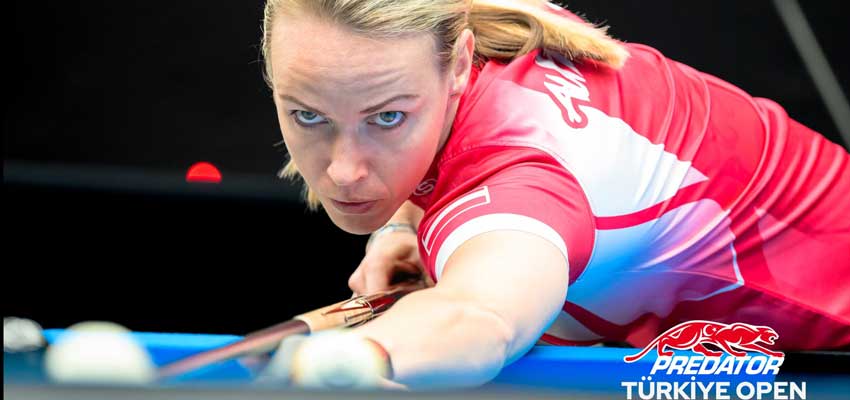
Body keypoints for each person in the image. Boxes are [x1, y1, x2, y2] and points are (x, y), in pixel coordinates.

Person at [260, 0, 850, 390]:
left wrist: (363, 357)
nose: (344, 171)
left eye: (387, 117)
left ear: (459, 65)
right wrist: (402, 223)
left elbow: (479, 315)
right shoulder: (459, 22)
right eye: (309, 115)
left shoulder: (523, 181)